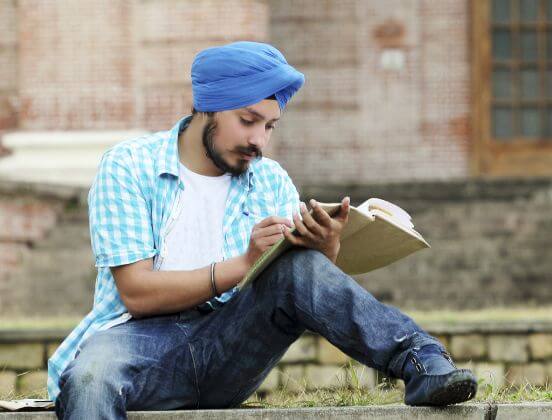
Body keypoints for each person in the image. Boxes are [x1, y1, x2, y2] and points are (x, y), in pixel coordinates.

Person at [49, 41, 477, 418]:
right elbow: (137, 293)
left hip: (230, 344)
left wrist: (324, 249)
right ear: (208, 108)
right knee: (90, 378)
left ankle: (421, 361)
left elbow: (296, 289)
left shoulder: (270, 180)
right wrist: (245, 264)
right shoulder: (128, 166)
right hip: (134, 344)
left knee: (299, 267)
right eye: (248, 120)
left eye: (269, 126)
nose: (260, 140)